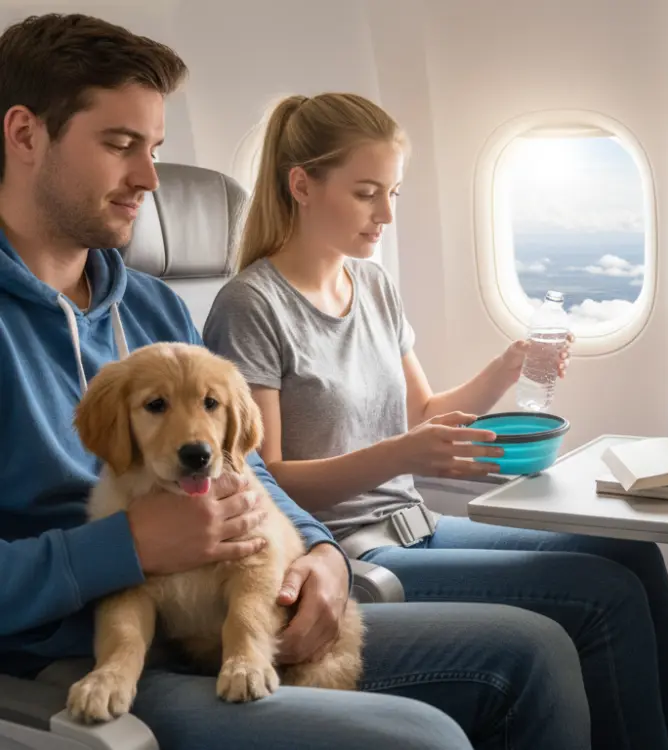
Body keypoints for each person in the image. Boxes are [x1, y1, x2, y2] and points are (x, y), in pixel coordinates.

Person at [0, 13, 594, 750]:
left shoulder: (152, 307)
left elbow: (246, 467)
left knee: (533, 652)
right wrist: (125, 546)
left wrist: (319, 553)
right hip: (68, 656)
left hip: (227, 602)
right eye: (121, 146)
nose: (150, 179)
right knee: (422, 739)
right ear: (24, 135)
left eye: (154, 149)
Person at [203, 92, 668, 750]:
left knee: (631, 555)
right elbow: (267, 481)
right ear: (302, 185)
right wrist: (402, 456)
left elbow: (422, 414)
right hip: (349, 555)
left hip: (418, 527)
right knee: (601, 596)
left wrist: (509, 365)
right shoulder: (252, 307)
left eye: (393, 192)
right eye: (367, 193)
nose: (386, 214)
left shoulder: (373, 286)